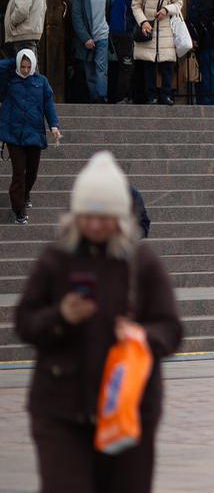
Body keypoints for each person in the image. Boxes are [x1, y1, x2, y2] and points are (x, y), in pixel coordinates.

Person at [14, 151, 183, 492]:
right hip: (61, 408)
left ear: (120, 216)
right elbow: (25, 321)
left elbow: (171, 329)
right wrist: (61, 316)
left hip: (128, 409)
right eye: (87, 215)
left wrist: (142, 336)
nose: (94, 225)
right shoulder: (56, 259)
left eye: (104, 216)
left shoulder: (142, 262)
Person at [1, 49, 60, 224]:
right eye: (22, 66)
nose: (25, 70)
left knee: (32, 173)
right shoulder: (10, 80)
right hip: (14, 135)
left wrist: (54, 125)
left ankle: (25, 194)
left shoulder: (41, 82)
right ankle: (18, 209)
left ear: (34, 65)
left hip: (34, 133)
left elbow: (49, 103)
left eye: (28, 66)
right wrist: (14, 61)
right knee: (19, 172)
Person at [130, 0, 184, 106]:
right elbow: (136, 5)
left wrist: (167, 10)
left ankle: (166, 95)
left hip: (166, 29)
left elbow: (179, 3)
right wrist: (143, 21)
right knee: (149, 65)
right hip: (148, 28)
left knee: (167, 65)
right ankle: (151, 96)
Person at [68, 0, 113, 103]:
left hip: (103, 34)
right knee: (89, 72)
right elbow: (76, 17)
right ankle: (94, 98)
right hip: (87, 37)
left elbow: (111, 10)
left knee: (101, 68)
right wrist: (86, 38)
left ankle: (101, 98)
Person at [109, 0, 146, 104]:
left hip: (119, 33)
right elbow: (133, 11)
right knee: (127, 67)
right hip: (125, 33)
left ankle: (127, 96)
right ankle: (122, 97)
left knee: (126, 66)